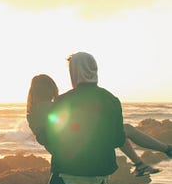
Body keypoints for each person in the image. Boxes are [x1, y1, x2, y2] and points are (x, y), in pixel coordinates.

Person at [26, 52, 171, 184]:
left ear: (75, 72)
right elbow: (118, 140)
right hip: (97, 176)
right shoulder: (111, 100)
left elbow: (52, 141)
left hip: (66, 174)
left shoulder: (63, 101)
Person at [27, 75, 172, 177]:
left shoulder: (32, 113)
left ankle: (141, 163)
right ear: (51, 89)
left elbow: (50, 139)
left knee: (121, 130)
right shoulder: (56, 106)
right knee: (124, 129)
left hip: (68, 154)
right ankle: (163, 151)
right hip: (79, 150)